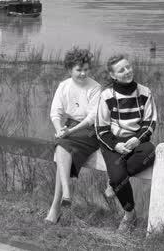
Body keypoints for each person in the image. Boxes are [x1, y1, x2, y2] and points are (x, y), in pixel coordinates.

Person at [96, 54, 157, 233]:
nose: (127, 71)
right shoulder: (106, 96)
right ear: (113, 75)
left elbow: (150, 122)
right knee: (117, 178)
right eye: (121, 70)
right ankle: (129, 213)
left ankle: (115, 181)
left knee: (151, 151)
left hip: (137, 141)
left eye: (128, 67)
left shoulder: (145, 92)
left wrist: (138, 138)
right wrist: (116, 146)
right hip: (113, 142)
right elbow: (101, 129)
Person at [45, 47, 101, 223]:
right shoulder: (64, 86)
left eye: (86, 69)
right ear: (70, 69)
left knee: (63, 145)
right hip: (70, 128)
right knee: (62, 145)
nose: (83, 73)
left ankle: (56, 206)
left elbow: (92, 117)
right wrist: (59, 128)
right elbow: (56, 112)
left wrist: (69, 131)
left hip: (90, 130)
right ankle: (64, 197)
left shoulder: (95, 87)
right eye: (79, 70)